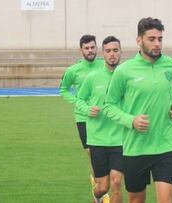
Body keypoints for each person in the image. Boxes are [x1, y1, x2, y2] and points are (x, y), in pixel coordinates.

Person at [103, 17, 172, 203]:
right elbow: (109, 105)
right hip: (136, 149)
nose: (157, 43)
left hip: (166, 146)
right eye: (151, 39)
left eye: (160, 39)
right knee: (136, 200)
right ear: (139, 40)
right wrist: (131, 121)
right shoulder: (124, 71)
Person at [76, 36, 123, 203]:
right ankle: (97, 197)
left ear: (120, 52)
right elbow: (79, 100)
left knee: (117, 181)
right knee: (103, 187)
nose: (112, 54)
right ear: (103, 53)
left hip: (120, 138)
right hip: (98, 139)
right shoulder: (93, 77)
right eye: (108, 51)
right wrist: (88, 109)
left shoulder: (126, 76)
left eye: (115, 50)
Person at [59, 34, 104, 196]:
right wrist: (78, 102)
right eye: (87, 48)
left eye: (93, 47)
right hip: (83, 118)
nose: (90, 51)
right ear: (81, 50)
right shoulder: (73, 70)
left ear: (96, 48)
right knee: (92, 152)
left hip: (104, 117)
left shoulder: (104, 65)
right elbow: (63, 90)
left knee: (104, 151)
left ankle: (100, 183)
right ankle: (99, 185)